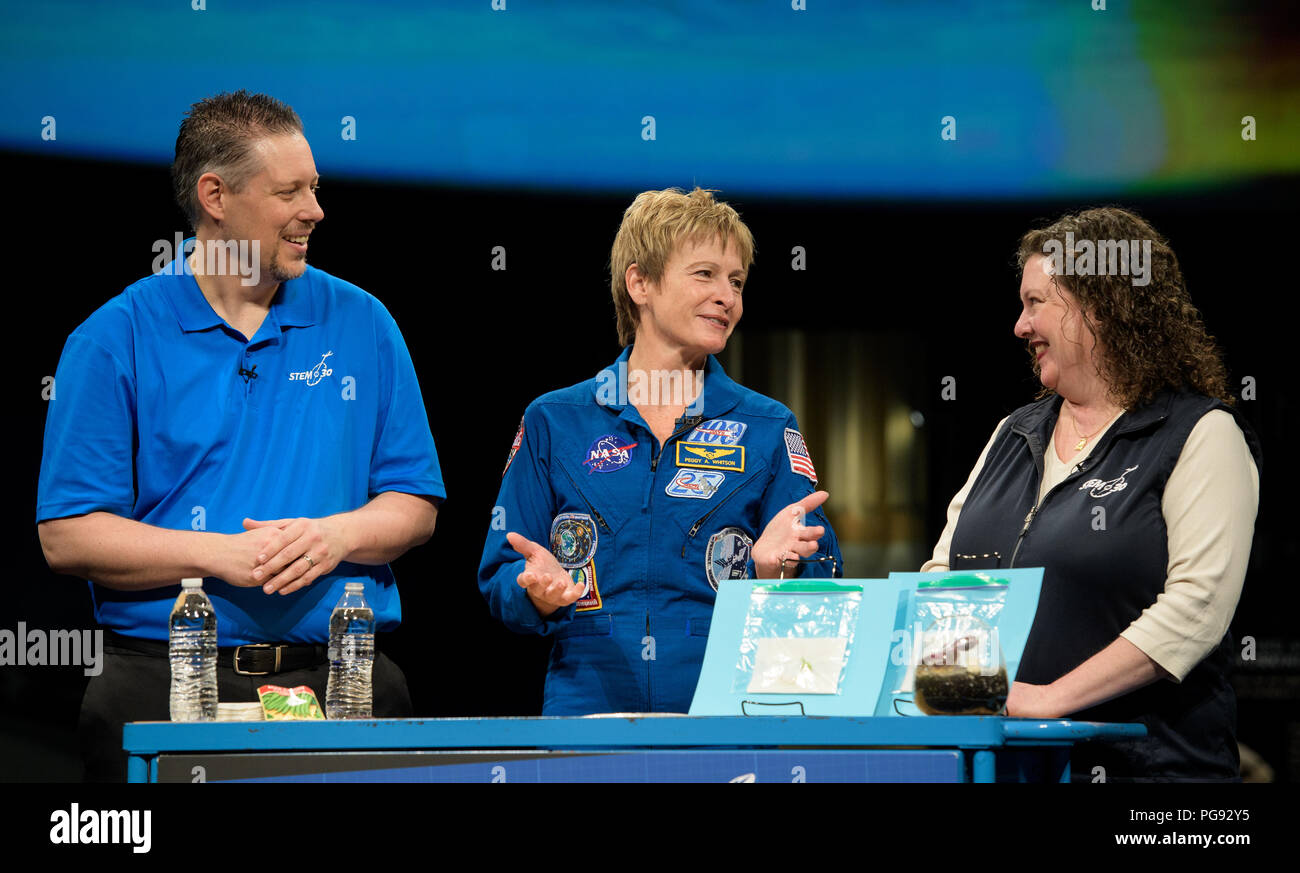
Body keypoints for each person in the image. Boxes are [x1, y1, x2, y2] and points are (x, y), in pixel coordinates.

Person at [36, 91, 444, 781]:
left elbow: (415, 502)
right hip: (163, 686)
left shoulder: (364, 323)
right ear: (215, 195)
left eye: (315, 187)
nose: (315, 210)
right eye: (289, 191)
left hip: (342, 683)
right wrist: (224, 555)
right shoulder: (113, 339)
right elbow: (68, 534)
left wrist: (335, 536)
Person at [922, 207, 1260, 781]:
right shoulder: (1013, 432)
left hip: (1150, 776)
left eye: (1035, 303)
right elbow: (943, 572)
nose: (1019, 326)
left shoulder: (1200, 435)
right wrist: (949, 688)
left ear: (1099, 305)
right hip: (1000, 765)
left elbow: (1195, 610)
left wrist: (1052, 699)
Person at [478, 187, 842, 714]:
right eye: (705, 274)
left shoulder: (767, 426)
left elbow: (824, 575)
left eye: (736, 281)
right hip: (586, 715)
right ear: (640, 283)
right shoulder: (554, 421)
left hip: (722, 718)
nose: (728, 297)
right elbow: (503, 573)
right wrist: (534, 589)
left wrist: (778, 573)